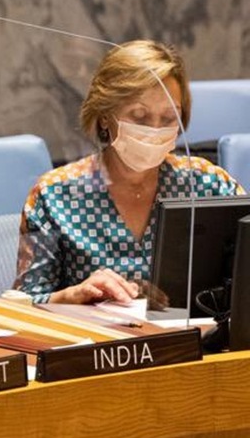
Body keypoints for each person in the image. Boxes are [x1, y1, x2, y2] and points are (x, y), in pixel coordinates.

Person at [16, 40, 245, 305]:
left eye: (169, 118)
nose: (155, 129)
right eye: (139, 116)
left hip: (198, 343)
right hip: (96, 342)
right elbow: (23, 305)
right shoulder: (54, 194)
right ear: (105, 116)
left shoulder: (210, 185)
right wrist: (71, 296)